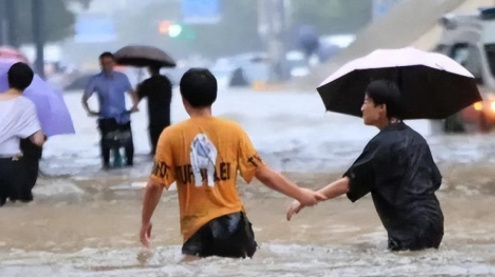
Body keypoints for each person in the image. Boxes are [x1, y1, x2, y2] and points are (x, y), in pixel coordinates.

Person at [140, 68, 324, 258]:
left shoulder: (171, 136)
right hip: (235, 225)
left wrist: (145, 222)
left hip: (198, 231)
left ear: (183, 99)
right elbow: (264, 173)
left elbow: (155, 184)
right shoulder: (233, 131)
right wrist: (301, 194)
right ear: (214, 97)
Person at [287, 80, 444, 252]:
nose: (361, 108)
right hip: (434, 221)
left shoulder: (382, 144)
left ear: (382, 108)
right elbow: (435, 179)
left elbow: (351, 182)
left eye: (366, 102)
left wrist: (310, 197)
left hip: (409, 227)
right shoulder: (417, 139)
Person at [0, 62, 45, 207]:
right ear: (28, 83)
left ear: (8, 78)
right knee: (21, 208)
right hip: (9, 167)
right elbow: (37, 140)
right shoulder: (25, 104)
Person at [82, 52, 139, 169]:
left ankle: (130, 166)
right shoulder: (96, 80)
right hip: (106, 118)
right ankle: (106, 166)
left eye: (108, 63)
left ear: (113, 63)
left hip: (123, 117)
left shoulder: (122, 78)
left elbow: (132, 93)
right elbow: (85, 98)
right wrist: (90, 111)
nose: (106, 66)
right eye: (103, 64)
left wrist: (135, 105)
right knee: (105, 145)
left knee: (129, 145)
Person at [136, 64, 172, 155]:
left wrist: (138, 87)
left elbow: (138, 96)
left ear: (149, 69)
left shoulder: (148, 82)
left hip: (154, 116)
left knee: (155, 147)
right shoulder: (166, 81)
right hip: (165, 115)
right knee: (166, 144)